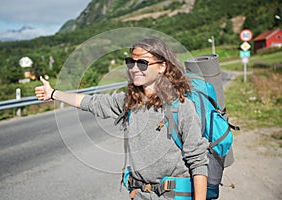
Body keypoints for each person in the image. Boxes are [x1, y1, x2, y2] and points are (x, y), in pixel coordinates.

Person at [35, 37, 209, 200]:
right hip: (140, 194)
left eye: (142, 63)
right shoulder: (129, 101)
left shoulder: (181, 107)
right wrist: (53, 94)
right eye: (130, 62)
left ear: (162, 67)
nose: (134, 68)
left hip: (174, 195)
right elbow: (91, 102)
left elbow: (198, 162)